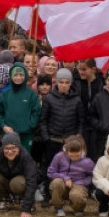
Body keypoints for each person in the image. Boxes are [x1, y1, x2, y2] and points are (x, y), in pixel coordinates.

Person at [37, 69, 86, 198]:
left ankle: (70, 194)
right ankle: (48, 195)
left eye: (66, 82)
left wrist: (78, 137)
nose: (64, 85)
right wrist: (46, 138)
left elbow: (81, 121)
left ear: (70, 84)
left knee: (72, 168)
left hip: (71, 141)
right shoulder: (49, 99)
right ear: (57, 83)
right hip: (53, 140)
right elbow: (43, 120)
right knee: (50, 168)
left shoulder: (77, 100)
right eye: (61, 82)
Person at [0, 62, 41, 153]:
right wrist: (4, 126)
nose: (18, 77)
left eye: (21, 74)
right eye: (15, 75)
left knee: (24, 160)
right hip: (8, 134)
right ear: (11, 76)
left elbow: (36, 113)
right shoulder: (5, 94)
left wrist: (29, 125)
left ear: (26, 76)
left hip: (26, 136)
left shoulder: (31, 94)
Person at [46, 135, 93, 217]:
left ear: (82, 151)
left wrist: (81, 182)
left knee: (76, 195)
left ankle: (78, 208)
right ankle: (58, 207)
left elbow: (93, 176)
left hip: (79, 184)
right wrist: (65, 178)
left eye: (77, 154)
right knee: (57, 182)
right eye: (71, 154)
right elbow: (51, 172)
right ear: (66, 150)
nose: (74, 157)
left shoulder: (87, 162)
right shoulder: (59, 157)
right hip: (63, 183)